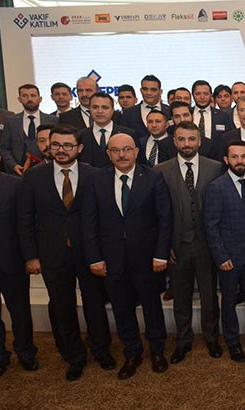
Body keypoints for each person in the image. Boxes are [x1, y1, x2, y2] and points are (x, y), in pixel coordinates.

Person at [18, 125, 114, 381]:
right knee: (62, 306)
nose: (61, 150)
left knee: (95, 303)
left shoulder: (94, 175)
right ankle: (74, 356)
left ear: (79, 148)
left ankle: (102, 350)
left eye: (67, 145)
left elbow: (104, 218)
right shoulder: (33, 177)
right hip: (51, 253)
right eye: (56, 145)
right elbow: (25, 219)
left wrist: (103, 253)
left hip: (89, 252)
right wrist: (31, 256)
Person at [82, 133, 172, 379]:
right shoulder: (96, 180)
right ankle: (132, 352)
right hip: (112, 259)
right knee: (122, 309)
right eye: (115, 150)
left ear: (136, 151)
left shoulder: (153, 177)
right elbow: (89, 222)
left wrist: (161, 254)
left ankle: (157, 351)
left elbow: (165, 219)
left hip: (146, 258)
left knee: (152, 307)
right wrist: (95, 258)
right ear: (108, 154)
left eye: (127, 149)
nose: (122, 155)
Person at [155, 121, 224, 364]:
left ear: (199, 141)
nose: (187, 144)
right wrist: (165, 246)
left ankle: (212, 338)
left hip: (206, 245)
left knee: (209, 297)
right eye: (182, 139)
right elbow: (158, 213)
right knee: (181, 298)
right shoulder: (161, 170)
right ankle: (183, 341)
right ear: (174, 141)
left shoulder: (215, 167)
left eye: (191, 139)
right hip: (178, 247)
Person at [204, 140, 245, 362]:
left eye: (243, 156)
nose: (239, 161)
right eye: (234, 157)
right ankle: (232, 342)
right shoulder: (216, 187)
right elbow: (211, 226)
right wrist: (221, 256)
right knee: (229, 301)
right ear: (226, 160)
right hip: (229, 258)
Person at [0, 152, 38, 378]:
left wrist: (30, 256)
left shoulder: (15, 185)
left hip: (12, 260)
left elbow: (26, 223)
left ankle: (26, 352)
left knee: (20, 310)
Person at [0, 83, 58, 175]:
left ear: (40, 99)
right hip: (18, 172)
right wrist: (14, 166)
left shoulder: (53, 120)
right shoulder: (10, 121)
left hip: (48, 171)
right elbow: (4, 148)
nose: (29, 99)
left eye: (33, 95)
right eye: (25, 96)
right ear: (19, 99)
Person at [78, 92, 136, 169]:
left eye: (105, 107)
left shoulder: (129, 134)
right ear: (90, 110)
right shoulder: (81, 135)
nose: (99, 111)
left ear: (112, 110)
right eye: (95, 107)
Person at [119, 75, 169, 141]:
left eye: (153, 90)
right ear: (141, 90)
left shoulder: (170, 111)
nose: (148, 93)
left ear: (160, 92)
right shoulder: (128, 113)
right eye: (145, 89)